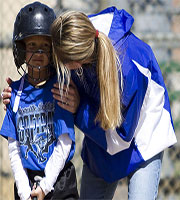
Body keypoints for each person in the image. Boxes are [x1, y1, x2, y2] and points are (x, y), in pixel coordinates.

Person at [2, 7, 177, 200]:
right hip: (99, 137)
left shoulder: (128, 70)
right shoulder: (76, 36)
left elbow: (120, 140)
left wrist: (79, 110)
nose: (55, 65)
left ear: (77, 62)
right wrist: (21, 96)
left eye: (61, 63)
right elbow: (43, 77)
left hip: (142, 138)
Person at [0, 2, 79, 200]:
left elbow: (64, 143)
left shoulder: (59, 89)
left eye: (45, 46)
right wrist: (24, 191)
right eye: (32, 46)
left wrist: (45, 186)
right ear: (21, 49)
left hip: (59, 181)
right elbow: (13, 147)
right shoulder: (15, 93)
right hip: (26, 182)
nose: (38, 53)